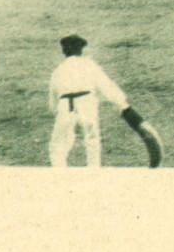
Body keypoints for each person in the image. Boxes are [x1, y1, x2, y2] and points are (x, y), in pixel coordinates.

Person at [47, 34, 130, 167]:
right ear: (81, 50)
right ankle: (93, 171)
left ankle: (59, 174)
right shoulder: (89, 65)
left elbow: (53, 98)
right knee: (92, 140)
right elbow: (106, 85)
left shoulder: (58, 70)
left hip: (65, 105)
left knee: (58, 145)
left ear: (64, 51)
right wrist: (121, 102)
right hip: (87, 104)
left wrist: (56, 109)